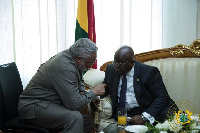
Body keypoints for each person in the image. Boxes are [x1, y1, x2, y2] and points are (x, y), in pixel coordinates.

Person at [18, 38, 106, 133]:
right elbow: (74, 104)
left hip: (48, 103)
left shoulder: (72, 57)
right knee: (75, 118)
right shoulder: (65, 67)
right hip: (33, 107)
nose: (92, 65)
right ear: (79, 59)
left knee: (87, 121)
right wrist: (93, 92)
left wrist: (83, 92)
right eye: (91, 62)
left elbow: (79, 78)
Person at [101, 45, 178, 125]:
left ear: (131, 63)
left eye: (120, 63)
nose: (116, 66)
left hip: (148, 109)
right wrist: (96, 100)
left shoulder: (149, 72)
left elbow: (162, 96)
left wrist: (144, 117)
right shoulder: (111, 70)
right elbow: (104, 91)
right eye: (115, 62)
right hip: (126, 115)